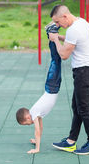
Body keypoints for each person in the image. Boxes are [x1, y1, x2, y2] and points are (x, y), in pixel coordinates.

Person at [48, 5, 89, 155]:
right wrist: (59, 37)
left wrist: (55, 41)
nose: (58, 26)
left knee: (83, 109)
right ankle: (71, 141)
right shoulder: (82, 22)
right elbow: (73, 42)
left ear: (65, 16)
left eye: (57, 22)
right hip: (87, 70)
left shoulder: (73, 29)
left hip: (85, 72)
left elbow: (64, 55)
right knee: (77, 107)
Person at [16, 20, 61, 154]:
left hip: (52, 86)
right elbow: (40, 127)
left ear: (27, 118)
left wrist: (37, 149)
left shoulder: (34, 112)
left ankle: (51, 31)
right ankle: (51, 32)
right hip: (52, 87)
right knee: (56, 59)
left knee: (56, 59)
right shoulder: (37, 113)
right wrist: (37, 139)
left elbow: (36, 129)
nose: (28, 125)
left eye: (26, 124)